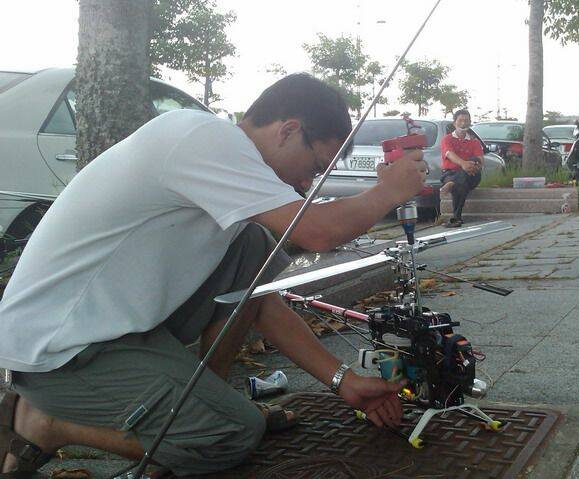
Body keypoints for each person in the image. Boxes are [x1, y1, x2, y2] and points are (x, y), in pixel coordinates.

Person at [0, 73, 428, 476]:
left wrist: (343, 380)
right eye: (316, 165)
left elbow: (256, 302)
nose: (311, 181)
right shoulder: (203, 137)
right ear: (288, 130)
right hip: (58, 353)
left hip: (113, 331)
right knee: (232, 436)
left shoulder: (223, 161)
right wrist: (388, 192)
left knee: (255, 247)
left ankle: (207, 401)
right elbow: (318, 231)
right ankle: (45, 424)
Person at [440, 109, 483, 228]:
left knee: (472, 163)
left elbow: (480, 160)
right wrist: (463, 163)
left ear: (470, 123)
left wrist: (472, 165)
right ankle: (456, 218)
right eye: (460, 120)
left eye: (466, 120)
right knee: (461, 184)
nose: (463, 123)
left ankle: (452, 183)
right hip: (449, 173)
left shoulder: (474, 142)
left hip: (472, 174)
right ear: (454, 123)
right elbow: (449, 154)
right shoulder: (447, 139)